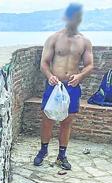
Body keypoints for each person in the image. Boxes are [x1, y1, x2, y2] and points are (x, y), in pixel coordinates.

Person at [33, 3, 94, 170]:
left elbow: (90, 65)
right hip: (54, 85)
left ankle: (62, 155)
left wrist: (80, 75)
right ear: (66, 18)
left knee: (67, 121)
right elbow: (44, 63)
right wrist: (50, 76)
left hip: (72, 86)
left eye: (77, 17)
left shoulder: (84, 41)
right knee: (48, 119)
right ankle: (43, 151)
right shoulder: (54, 38)